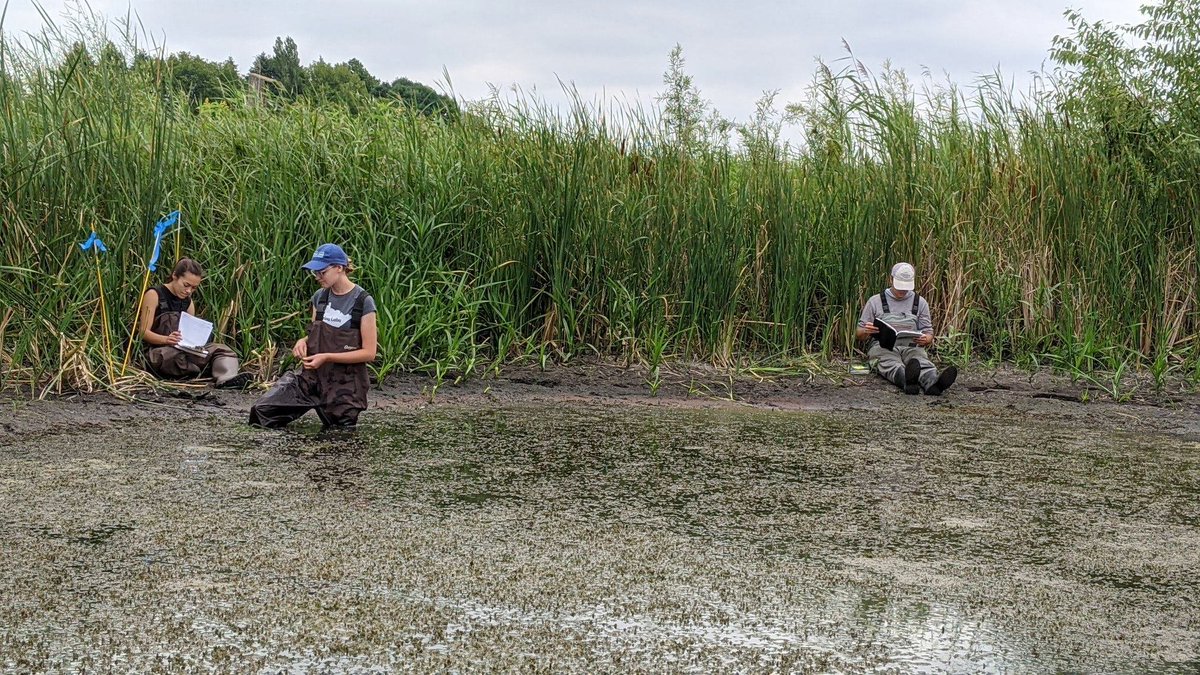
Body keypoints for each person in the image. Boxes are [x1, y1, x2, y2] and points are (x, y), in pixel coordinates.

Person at [249, 244, 378, 429]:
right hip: (311, 379)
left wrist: (326, 357)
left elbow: (369, 353)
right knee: (262, 411)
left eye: (322, 272)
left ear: (339, 268)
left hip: (344, 388)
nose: (317, 277)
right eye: (314, 273)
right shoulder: (320, 297)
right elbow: (315, 334)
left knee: (339, 437)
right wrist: (303, 341)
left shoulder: (363, 301)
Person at [138, 258, 252, 389]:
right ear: (174, 276)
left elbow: (189, 333)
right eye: (186, 285)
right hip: (160, 350)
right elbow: (143, 332)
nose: (188, 291)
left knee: (223, 350)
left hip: (185, 349)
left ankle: (226, 379)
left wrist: (196, 345)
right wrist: (167, 339)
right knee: (172, 356)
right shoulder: (154, 294)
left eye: (194, 288)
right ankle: (201, 369)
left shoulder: (188, 302)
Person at [855, 262, 958, 396]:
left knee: (920, 360)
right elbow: (859, 334)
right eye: (899, 286)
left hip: (912, 346)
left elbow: (928, 333)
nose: (902, 291)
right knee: (889, 362)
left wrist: (926, 339)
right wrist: (866, 331)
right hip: (883, 346)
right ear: (890, 279)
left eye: (906, 287)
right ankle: (907, 381)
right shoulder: (875, 301)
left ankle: (933, 383)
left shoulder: (920, 302)